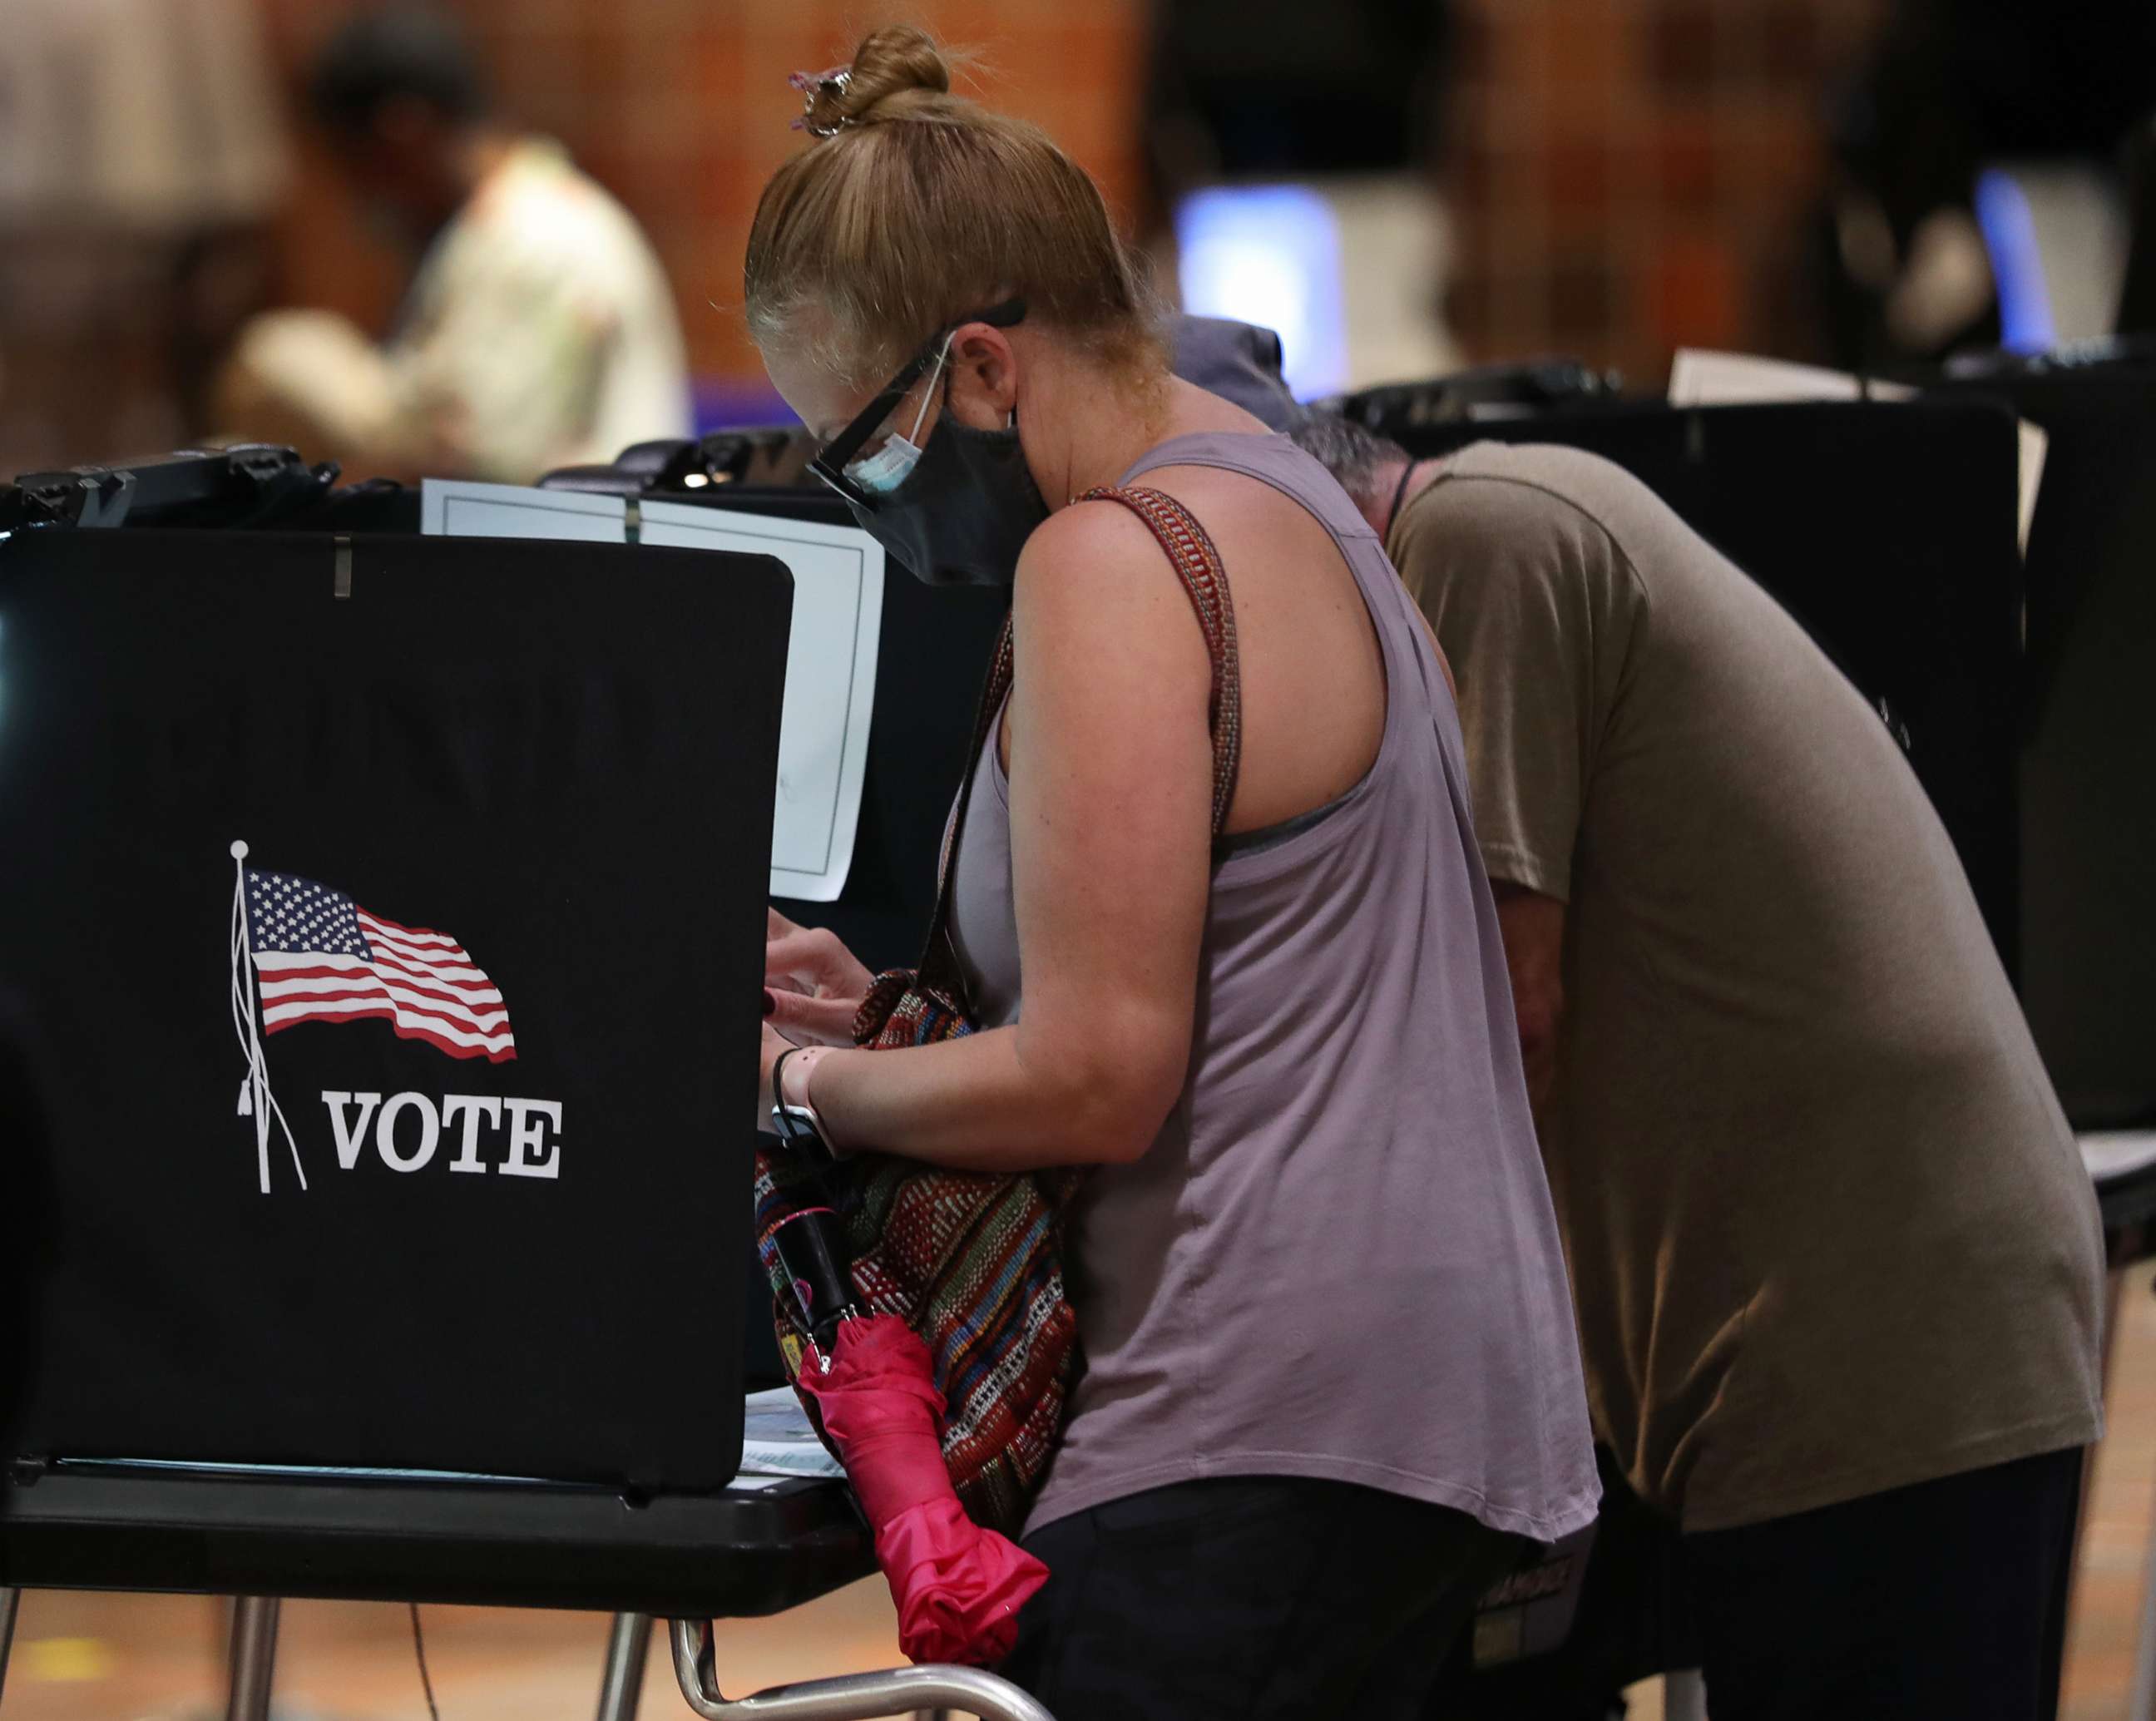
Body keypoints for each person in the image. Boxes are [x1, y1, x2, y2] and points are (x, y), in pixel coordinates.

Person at [746, 27, 1599, 1720]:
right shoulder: (1284, 484)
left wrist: (800, 1078)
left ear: (983, 367)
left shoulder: (1112, 560)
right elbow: (1235, 980)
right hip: (1411, 1419)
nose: (867, 506)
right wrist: (900, 1014)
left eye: (859, 452)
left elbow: (1101, 1071)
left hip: (1254, 1427)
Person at [1293, 412, 2106, 1721]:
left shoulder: (1477, 538)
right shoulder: (1517, 516)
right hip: (1824, 1334)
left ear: (1301, 518)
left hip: (1878, 1338)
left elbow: (1504, 1013)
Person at [215, 4, 689, 482]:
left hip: (584, 543)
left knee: (285, 361)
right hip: (528, 532)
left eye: (355, 168)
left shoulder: (540, 236)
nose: (364, 200)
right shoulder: (485, 228)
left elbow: (473, 463)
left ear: (401, 132)